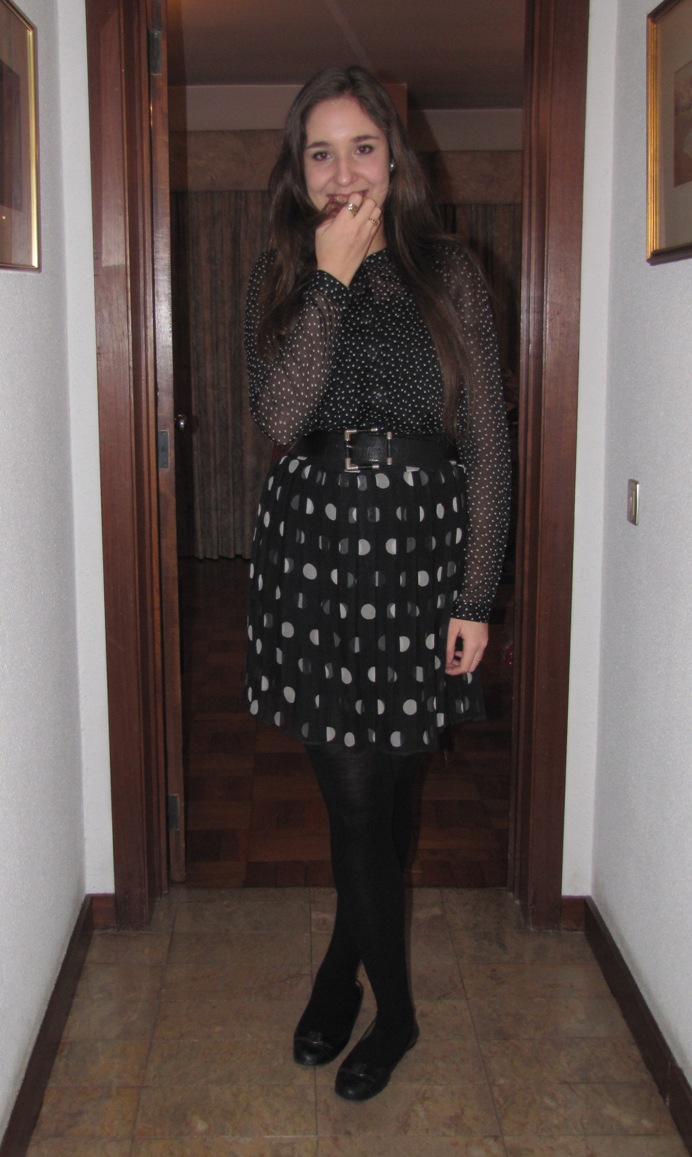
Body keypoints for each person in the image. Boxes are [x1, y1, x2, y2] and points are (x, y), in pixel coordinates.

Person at [244, 65, 511, 1102]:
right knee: (354, 794)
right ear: (297, 168)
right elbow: (280, 416)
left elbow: (487, 441)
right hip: (315, 551)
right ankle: (393, 1010)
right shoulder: (281, 268)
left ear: (394, 158)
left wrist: (475, 595)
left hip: (420, 554)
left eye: (361, 147)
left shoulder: (449, 270)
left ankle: (339, 969)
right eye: (321, 152)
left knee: (393, 786)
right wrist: (329, 277)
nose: (343, 171)